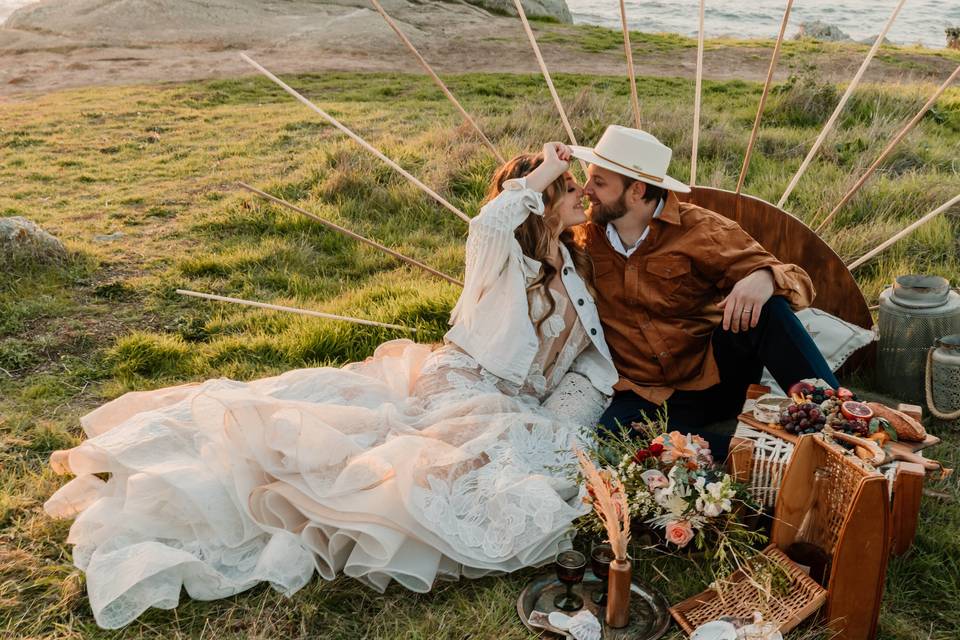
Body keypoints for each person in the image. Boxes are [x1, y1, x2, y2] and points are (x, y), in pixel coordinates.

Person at [43, 142, 618, 628]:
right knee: (428, 469)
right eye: (567, 189)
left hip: (513, 397)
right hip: (466, 380)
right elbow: (487, 221)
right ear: (540, 202)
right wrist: (543, 167)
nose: (581, 197)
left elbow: (587, 354)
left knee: (523, 461)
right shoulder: (499, 256)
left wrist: (583, 398)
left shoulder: (570, 262)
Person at [570, 125, 838, 460]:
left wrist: (764, 277)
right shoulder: (583, 240)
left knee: (767, 307)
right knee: (613, 441)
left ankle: (838, 419)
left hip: (714, 378)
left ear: (636, 190)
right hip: (645, 391)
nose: (586, 189)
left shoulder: (701, 230)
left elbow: (798, 282)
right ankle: (766, 455)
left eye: (599, 182)